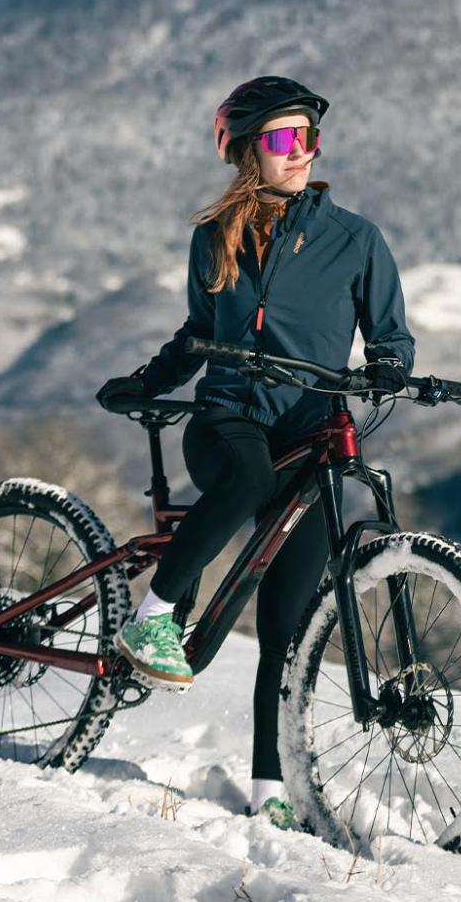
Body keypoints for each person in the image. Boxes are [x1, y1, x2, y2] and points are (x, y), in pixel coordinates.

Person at [96, 75, 415, 829]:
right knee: (238, 479)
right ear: (246, 152)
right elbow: (196, 336)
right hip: (228, 420)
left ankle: (269, 796)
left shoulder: (355, 239)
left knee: (287, 625)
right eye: (283, 138)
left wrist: (394, 367)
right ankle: (155, 613)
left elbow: (391, 334)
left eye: (309, 136)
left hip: (310, 445)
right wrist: (149, 381)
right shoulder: (215, 237)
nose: (301, 151)